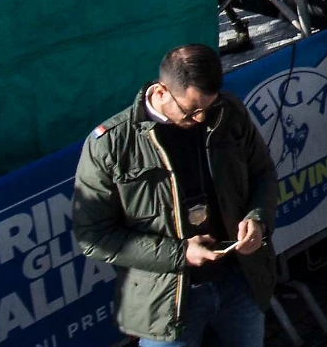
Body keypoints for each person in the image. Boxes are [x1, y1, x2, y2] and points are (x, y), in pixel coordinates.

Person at [73, 44, 277, 347]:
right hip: (166, 302)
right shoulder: (111, 145)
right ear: (160, 92)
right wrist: (180, 254)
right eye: (191, 110)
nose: (199, 118)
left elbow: (263, 173)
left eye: (207, 107)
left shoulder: (227, 114)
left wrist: (257, 219)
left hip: (239, 281)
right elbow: (93, 235)